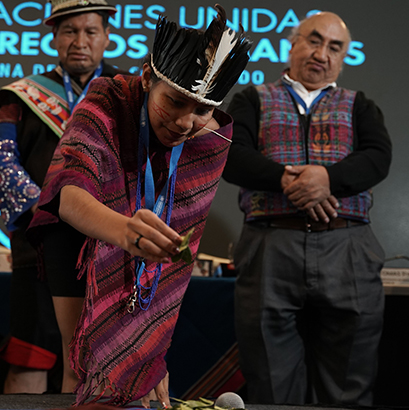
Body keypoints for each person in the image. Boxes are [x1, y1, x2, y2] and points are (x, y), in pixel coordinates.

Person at [27, 5, 252, 406]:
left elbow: (175, 260)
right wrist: (124, 231)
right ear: (148, 78)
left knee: (137, 370)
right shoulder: (107, 99)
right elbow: (69, 194)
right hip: (80, 235)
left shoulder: (212, 138)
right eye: (176, 102)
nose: (185, 122)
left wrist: (147, 350)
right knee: (81, 365)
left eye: (200, 109)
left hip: (146, 257)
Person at [222, 11, 392, 406]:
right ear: (293, 43)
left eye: (335, 47)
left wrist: (326, 180)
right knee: (270, 378)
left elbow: (377, 159)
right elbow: (232, 156)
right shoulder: (252, 98)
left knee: (348, 381)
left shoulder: (359, 105)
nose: (322, 53)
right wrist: (287, 180)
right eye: (314, 40)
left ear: (344, 57)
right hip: (269, 243)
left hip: (347, 247)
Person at [0, 0, 125, 394]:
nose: (79, 41)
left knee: (94, 364)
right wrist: (52, 210)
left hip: (107, 246)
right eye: (69, 31)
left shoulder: (128, 92)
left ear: (107, 37)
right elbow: (1, 161)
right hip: (39, 245)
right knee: (30, 358)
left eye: (90, 32)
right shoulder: (22, 96)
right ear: (54, 38)